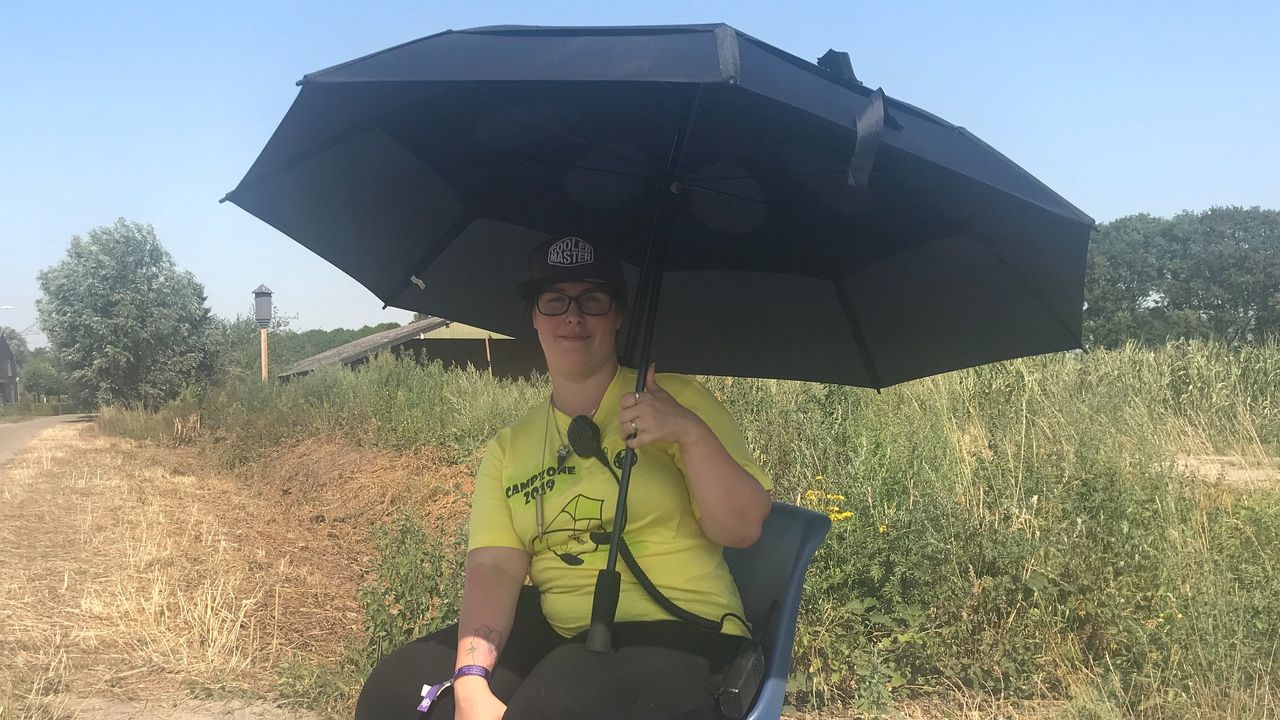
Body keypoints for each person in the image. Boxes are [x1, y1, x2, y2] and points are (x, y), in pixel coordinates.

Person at [356, 236, 773, 720]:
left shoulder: (677, 400)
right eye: (554, 301)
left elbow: (743, 528)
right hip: (565, 633)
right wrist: (470, 682)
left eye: (592, 300)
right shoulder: (511, 446)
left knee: (556, 703)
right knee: (395, 694)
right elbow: (496, 568)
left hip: (687, 633)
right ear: (534, 317)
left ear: (617, 315)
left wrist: (689, 434)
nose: (573, 316)